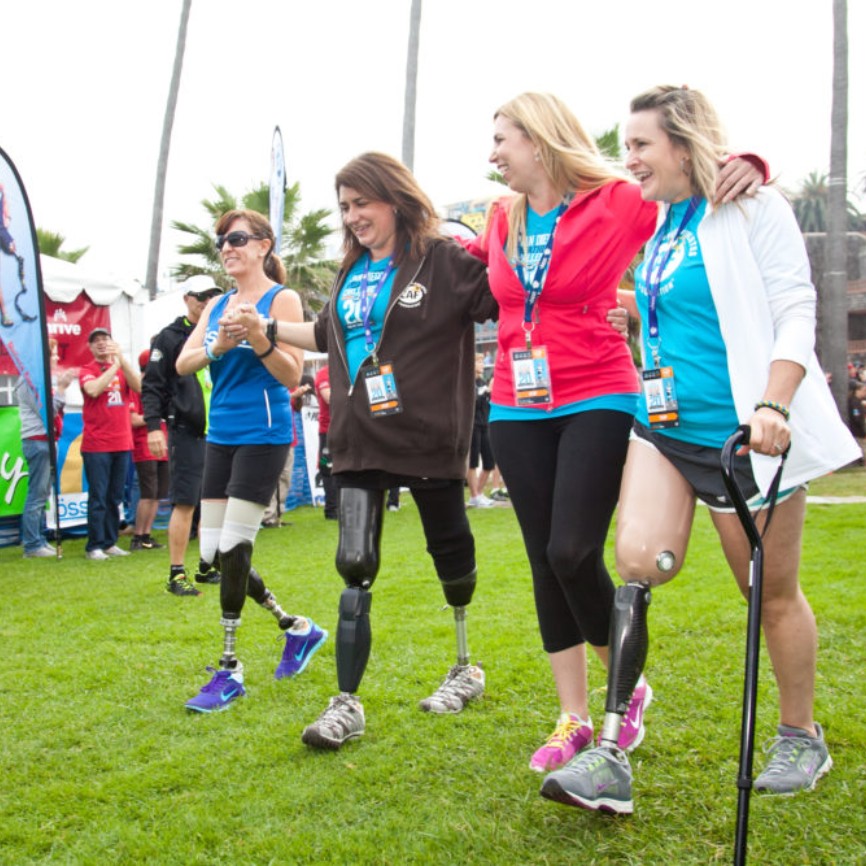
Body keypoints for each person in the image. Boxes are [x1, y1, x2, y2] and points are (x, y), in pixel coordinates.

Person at [540, 85, 861, 814]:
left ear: (684, 146)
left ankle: (800, 734)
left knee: (768, 594)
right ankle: (612, 751)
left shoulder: (752, 206)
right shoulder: (652, 219)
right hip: (664, 428)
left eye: (643, 145)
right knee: (635, 562)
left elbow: (793, 308)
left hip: (746, 435)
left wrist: (775, 402)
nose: (631, 159)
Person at [464, 92, 766, 776]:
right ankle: (573, 714)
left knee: (574, 550)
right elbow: (468, 261)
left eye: (502, 139)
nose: (492, 154)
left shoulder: (618, 200)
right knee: (545, 560)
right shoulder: (501, 218)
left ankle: (624, 687)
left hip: (599, 391)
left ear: (538, 141)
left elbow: (689, 187)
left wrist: (747, 161)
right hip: (516, 402)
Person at [227, 152, 498, 749]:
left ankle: (464, 665)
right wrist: (266, 331)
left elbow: (506, 300)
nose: (352, 217)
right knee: (354, 564)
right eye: (345, 207)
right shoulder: (353, 271)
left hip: (428, 436)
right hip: (358, 438)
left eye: (361, 204)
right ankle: (346, 703)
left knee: (450, 551)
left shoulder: (445, 261)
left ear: (395, 199)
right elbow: (327, 334)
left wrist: (507, 230)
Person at [177, 209, 326, 713]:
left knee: (237, 545)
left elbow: (290, 375)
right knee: (215, 553)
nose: (227, 247)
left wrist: (259, 336)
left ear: (264, 246)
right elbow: (184, 362)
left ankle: (229, 668)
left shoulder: (281, 298)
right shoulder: (217, 303)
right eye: (221, 240)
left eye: (237, 238)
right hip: (220, 437)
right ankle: (296, 628)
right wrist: (219, 343)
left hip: (263, 435)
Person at [142, 275, 224, 596]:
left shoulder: (220, 332)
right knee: (186, 502)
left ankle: (206, 565)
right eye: (201, 296)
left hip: (218, 432)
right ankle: (176, 574)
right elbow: (153, 386)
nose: (207, 302)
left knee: (213, 502)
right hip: (186, 430)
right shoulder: (169, 337)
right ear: (186, 299)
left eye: (213, 297)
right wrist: (153, 427)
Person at [79, 327, 140, 560]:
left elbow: (139, 387)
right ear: (90, 347)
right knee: (99, 496)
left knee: (115, 496)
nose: (102, 344)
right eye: (96, 341)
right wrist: (112, 367)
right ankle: (94, 545)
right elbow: (93, 389)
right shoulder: (87, 370)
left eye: (105, 339)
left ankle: (110, 541)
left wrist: (121, 361)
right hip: (97, 444)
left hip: (122, 442)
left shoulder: (122, 368)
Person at [17, 338, 74, 558]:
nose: (57, 358)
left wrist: (59, 390)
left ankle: (38, 538)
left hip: (47, 440)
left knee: (43, 492)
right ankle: (32, 544)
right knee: (37, 494)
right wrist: (61, 388)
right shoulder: (30, 381)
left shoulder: (40, 380)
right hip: (38, 440)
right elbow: (48, 411)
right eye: (53, 354)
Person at [129, 349, 168, 551]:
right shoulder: (138, 387)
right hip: (144, 446)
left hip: (162, 445)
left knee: (157, 494)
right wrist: (155, 416)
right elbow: (133, 419)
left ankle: (146, 535)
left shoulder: (160, 387)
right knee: (148, 493)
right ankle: (138, 536)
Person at [261, 376, 313, 527]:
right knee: (272, 478)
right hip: (273, 437)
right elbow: (273, 401)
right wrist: (294, 394)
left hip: (289, 437)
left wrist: (299, 396)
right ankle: (268, 517)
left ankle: (277, 515)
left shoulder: (289, 382)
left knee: (285, 477)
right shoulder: (270, 382)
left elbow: (295, 407)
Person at [466, 353, 495, 508]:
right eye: (478, 361)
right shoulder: (468, 383)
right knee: (473, 462)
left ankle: (478, 493)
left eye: (482, 362)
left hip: (485, 425)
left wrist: (489, 394)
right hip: (473, 426)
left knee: (490, 462)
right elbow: (470, 403)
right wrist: (483, 392)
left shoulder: (481, 381)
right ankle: (474, 495)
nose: (482, 365)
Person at [314, 364, 338, 519]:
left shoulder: (344, 371)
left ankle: (343, 507)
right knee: (327, 468)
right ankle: (331, 510)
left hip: (347, 428)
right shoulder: (324, 373)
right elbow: (329, 397)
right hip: (328, 430)